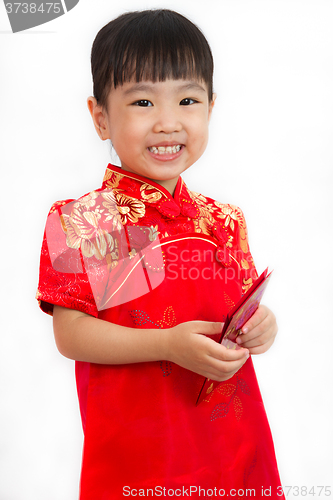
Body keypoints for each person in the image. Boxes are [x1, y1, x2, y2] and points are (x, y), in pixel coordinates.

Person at [37, 9, 283, 499]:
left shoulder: (224, 220)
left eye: (187, 100)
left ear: (210, 108)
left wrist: (263, 327)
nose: (168, 122)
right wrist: (167, 345)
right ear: (100, 116)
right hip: (141, 454)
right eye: (143, 101)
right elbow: (71, 333)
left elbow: (238, 315)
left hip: (231, 446)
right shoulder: (92, 218)